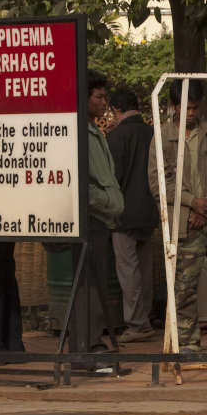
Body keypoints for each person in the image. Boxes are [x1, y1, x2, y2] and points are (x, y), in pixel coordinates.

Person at [148, 79, 207, 352]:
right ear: (173, 106)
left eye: (196, 108)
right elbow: (158, 183)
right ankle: (187, 344)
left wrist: (206, 203)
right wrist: (192, 203)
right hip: (183, 224)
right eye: (187, 108)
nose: (192, 114)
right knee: (184, 288)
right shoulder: (161, 137)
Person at [70, 70, 125, 363]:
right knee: (88, 285)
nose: (104, 103)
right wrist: (102, 201)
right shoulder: (79, 131)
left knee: (95, 283)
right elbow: (78, 184)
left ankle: (90, 344)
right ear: (85, 96)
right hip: (90, 219)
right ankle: (87, 347)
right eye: (99, 97)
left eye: (106, 97)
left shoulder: (94, 130)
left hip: (102, 219)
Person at [107, 89, 159, 343]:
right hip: (150, 210)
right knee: (145, 268)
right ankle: (145, 317)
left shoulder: (116, 136)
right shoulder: (153, 133)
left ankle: (137, 324)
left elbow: (112, 178)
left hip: (123, 213)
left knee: (128, 270)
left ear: (116, 109)